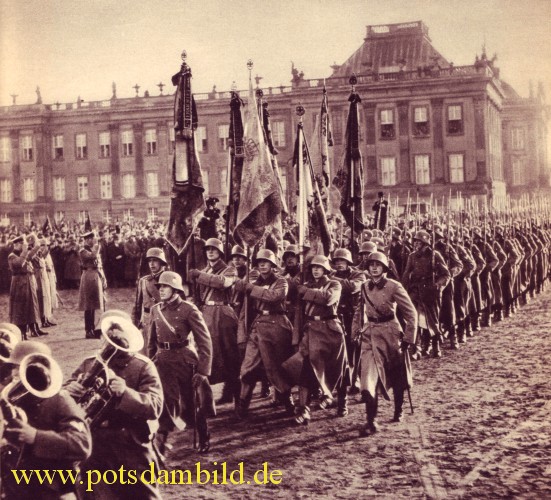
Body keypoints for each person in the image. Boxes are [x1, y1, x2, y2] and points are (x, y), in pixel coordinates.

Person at [67, 313, 163, 499]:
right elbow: (66, 397)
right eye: (107, 336)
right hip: (95, 446)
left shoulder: (142, 366)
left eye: (117, 336)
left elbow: (155, 406)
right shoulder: (89, 364)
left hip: (130, 445)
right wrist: (70, 390)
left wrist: (125, 393)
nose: (110, 341)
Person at [2, 341, 92, 499]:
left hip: (53, 488)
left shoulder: (59, 399)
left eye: (20, 368)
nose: (15, 374)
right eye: (14, 368)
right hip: (15, 486)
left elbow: (82, 444)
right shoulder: (8, 396)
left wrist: (36, 437)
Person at [148, 271, 214, 454]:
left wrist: (203, 371)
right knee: (165, 402)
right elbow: (151, 340)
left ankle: (203, 434)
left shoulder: (189, 309)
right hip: (163, 361)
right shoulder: (156, 310)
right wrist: (151, 361)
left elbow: (204, 340)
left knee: (193, 401)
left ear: (175, 289)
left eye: (165, 287)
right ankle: (161, 441)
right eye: (160, 287)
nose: (161, 290)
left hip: (185, 360)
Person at [352, 252, 417, 437]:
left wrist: (409, 338)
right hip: (370, 334)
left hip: (390, 333)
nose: (374, 268)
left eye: (378, 265)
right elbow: (359, 311)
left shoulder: (394, 286)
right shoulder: (365, 286)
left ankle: (398, 409)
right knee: (368, 377)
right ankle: (371, 421)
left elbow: (410, 313)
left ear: (384, 268)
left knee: (397, 375)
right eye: (371, 264)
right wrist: (355, 330)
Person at [284, 255, 349, 424]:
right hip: (311, 331)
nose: (316, 270)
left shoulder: (334, 284)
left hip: (331, 330)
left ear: (326, 269)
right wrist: (296, 338)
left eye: (319, 267)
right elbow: (299, 313)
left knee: (338, 368)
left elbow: (328, 298)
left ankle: (342, 401)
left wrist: (306, 292)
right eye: (313, 267)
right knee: (306, 367)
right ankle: (303, 409)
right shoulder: (305, 286)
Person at [234, 249, 295, 418]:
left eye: (266, 262)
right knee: (247, 367)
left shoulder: (281, 281)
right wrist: (241, 287)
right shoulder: (253, 281)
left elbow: (274, 296)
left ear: (273, 265)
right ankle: (242, 406)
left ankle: (288, 402)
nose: (262, 265)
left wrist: (250, 288)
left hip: (277, 326)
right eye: (259, 262)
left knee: (277, 367)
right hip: (258, 326)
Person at [188, 238, 240, 408]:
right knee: (207, 353)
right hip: (207, 315)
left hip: (224, 314)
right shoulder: (203, 270)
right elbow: (198, 298)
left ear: (220, 252)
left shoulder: (229, 269)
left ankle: (235, 395)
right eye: (208, 249)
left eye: (214, 249)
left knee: (230, 355)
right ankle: (206, 399)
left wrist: (199, 276)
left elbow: (222, 283)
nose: (210, 252)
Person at [402, 230, 450, 358]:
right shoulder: (412, 256)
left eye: (419, 242)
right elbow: (407, 273)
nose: (416, 245)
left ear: (425, 243)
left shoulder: (435, 255)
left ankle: (435, 346)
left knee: (432, 320)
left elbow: (446, 274)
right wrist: (403, 290)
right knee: (414, 319)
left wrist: (438, 285)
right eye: (415, 242)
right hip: (416, 290)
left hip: (431, 291)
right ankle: (416, 349)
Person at [7, 235, 43, 339]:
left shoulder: (21, 254)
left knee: (28, 308)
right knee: (19, 309)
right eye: (22, 244)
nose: (24, 246)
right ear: (17, 245)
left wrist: (35, 242)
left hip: (25, 282)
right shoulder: (12, 256)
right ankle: (20, 333)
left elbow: (31, 254)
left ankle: (27, 330)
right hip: (18, 284)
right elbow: (19, 263)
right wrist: (24, 251)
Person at [132, 247, 167, 352]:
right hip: (148, 322)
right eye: (149, 261)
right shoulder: (143, 281)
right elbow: (137, 306)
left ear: (161, 262)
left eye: (155, 260)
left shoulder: (170, 279)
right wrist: (135, 324)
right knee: (147, 352)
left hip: (164, 320)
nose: (152, 264)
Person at [78, 231, 106, 339]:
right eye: (88, 239)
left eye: (92, 238)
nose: (91, 240)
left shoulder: (93, 249)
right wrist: (96, 246)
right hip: (88, 276)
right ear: (85, 240)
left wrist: (103, 277)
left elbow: (99, 265)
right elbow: (93, 256)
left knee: (94, 305)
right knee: (88, 305)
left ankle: (93, 328)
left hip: (96, 275)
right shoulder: (83, 251)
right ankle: (88, 330)